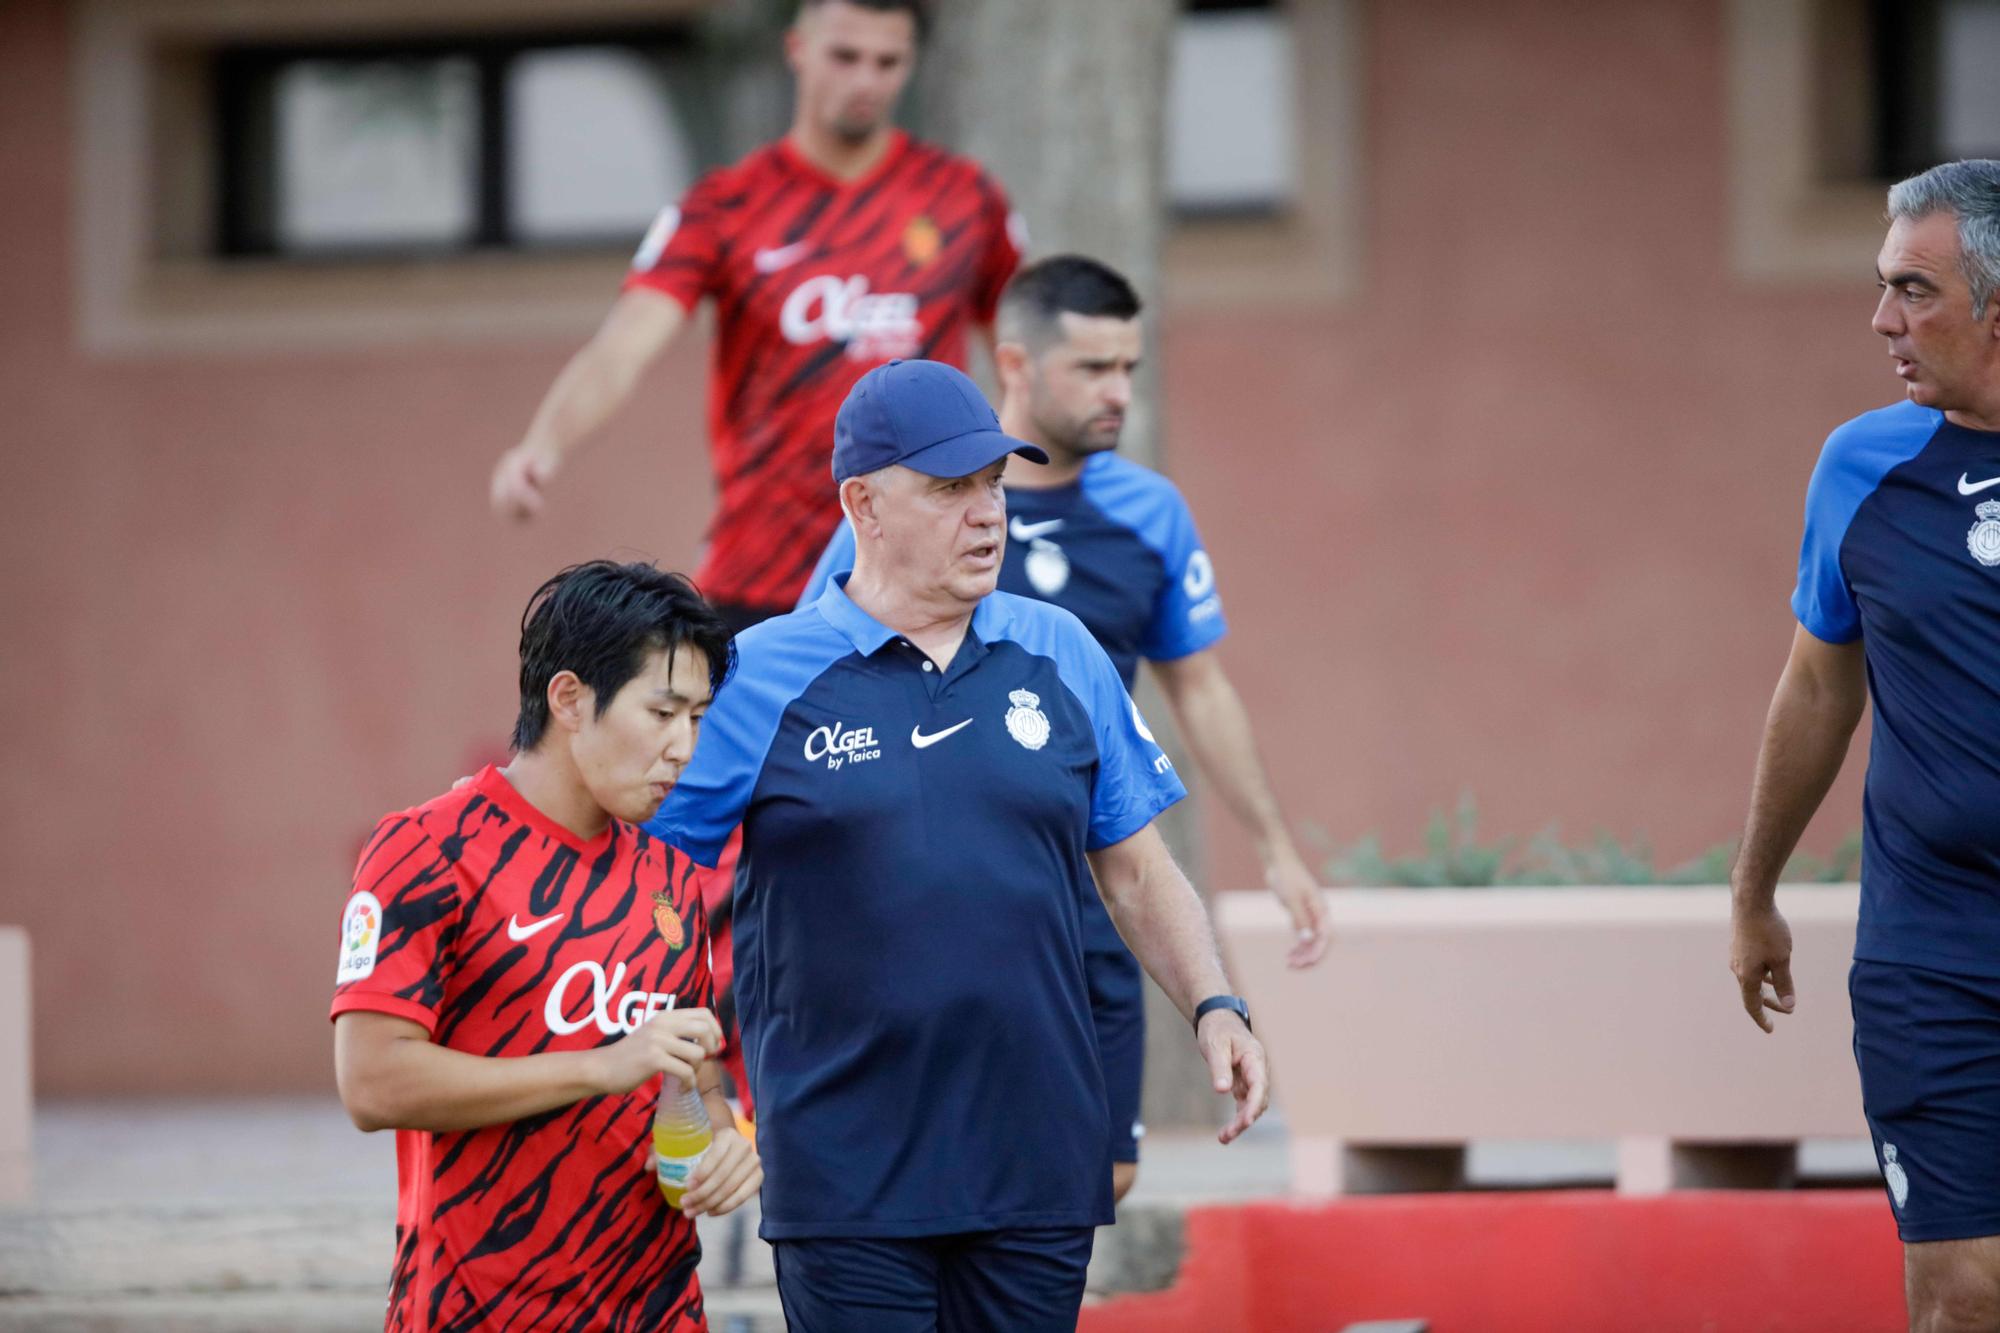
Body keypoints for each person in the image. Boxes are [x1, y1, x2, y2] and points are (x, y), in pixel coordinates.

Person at [649, 358, 1269, 1332]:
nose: (987, 513)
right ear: (862, 503)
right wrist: (690, 1075)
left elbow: (1138, 868)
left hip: (1036, 1159)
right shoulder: (752, 676)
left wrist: (1214, 1004)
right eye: (948, 489)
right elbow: (652, 889)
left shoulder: (1062, 651)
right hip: (841, 1159)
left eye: (992, 483)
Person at [800, 255, 1326, 1201]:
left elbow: (1198, 688)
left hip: (1091, 884)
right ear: (1017, 363)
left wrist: (1276, 846)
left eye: (1128, 367)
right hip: (945, 898)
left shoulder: (1149, 512)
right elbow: (817, 674)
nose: (1117, 391)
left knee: (1103, 1174)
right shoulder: (892, 518)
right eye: (1092, 368)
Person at [490, 0, 1023, 628]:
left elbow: (1026, 355)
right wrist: (544, 445)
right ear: (798, 49)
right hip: (763, 576)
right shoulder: (727, 206)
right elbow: (624, 345)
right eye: (845, 56)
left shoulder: (963, 199)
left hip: (921, 571)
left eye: (888, 62)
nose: (865, 81)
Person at [330, 562, 758, 1333]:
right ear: (568, 698)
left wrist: (725, 1147)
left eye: (697, 718)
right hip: (477, 1310)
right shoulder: (426, 849)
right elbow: (371, 1083)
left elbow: (692, 1080)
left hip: (661, 1311)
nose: (684, 747)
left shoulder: (670, 877)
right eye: (662, 712)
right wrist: (603, 1064)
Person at [1729, 159, 2000, 1332]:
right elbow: (1813, 685)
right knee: (1958, 1293)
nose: (1880, 320)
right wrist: (1754, 890)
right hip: (1930, 955)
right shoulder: (1860, 465)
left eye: (1912, 290)